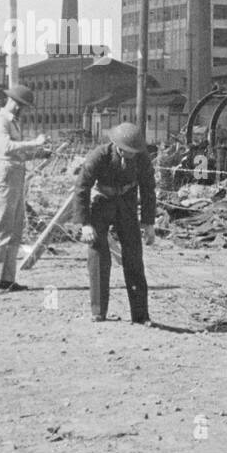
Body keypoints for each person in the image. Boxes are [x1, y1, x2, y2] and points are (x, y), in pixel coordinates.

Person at [74, 122, 157, 324]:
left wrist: (148, 223)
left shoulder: (142, 158)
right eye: (129, 151)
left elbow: (148, 189)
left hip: (127, 202)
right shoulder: (98, 156)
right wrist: (85, 224)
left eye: (135, 151)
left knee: (134, 256)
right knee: (98, 255)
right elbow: (82, 188)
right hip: (102, 201)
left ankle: (140, 315)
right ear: (118, 147)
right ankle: (98, 311)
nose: (132, 155)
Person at [0, 85, 45, 293]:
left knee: (15, 230)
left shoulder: (13, 123)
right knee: (1, 229)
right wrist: (34, 143)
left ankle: (6, 278)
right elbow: (5, 148)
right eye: (23, 107)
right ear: (16, 104)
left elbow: (18, 153)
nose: (23, 111)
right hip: (5, 174)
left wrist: (40, 153)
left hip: (16, 174)